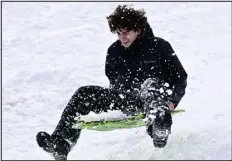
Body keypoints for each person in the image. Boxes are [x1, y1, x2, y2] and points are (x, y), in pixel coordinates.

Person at [36, 5, 188, 160]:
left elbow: (180, 78)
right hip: (130, 100)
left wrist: (172, 101)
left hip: (158, 99)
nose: (123, 37)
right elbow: (114, 84)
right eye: (119, 33)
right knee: (84, 93)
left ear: (138, 29)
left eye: (126, 32)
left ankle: (159, 126)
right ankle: (61, 143)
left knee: (149, 85)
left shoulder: (160, 46)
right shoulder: (114, 52)